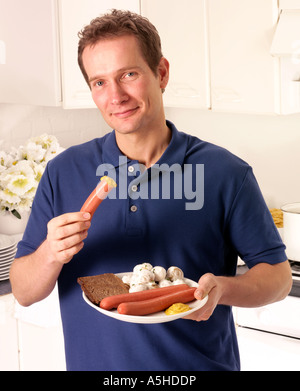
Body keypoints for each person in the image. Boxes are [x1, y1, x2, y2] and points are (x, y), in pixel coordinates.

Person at [10, 9, 292, 371]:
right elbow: (23, 291)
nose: (115, 96)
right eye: (99, 82)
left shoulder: (225, 173)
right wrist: (50, 253)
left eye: (128, 74)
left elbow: (279, 278)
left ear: (161, 73)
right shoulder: (64, 171)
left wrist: (223, 289)